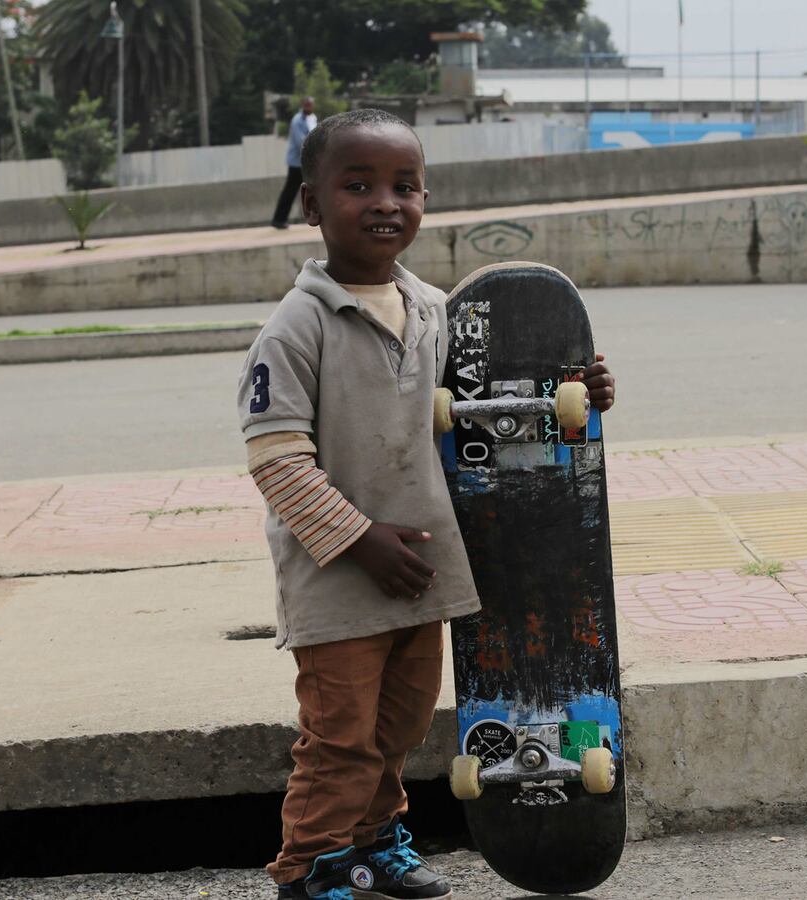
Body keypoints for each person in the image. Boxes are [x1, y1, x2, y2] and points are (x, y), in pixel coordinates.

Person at [236, 109, 616, 900]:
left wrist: (580, 394)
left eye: (404, 186)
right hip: (339, 582)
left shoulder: (438, 313)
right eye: (358, 185)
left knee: (399, 730)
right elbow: (276, 460)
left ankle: (373, 845)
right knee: (339, 738)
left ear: (424, 198)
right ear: (311, 204)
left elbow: (486, 406)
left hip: (422, 572)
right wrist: (357, 538)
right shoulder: (294, 327)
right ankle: (308, 867)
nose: (385, 202)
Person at [271, 97, 318, 229]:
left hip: (306, 162)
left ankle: (280, 219)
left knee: (315, 189)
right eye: (307, 105)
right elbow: (301, 142)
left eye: (311, 105)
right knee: (290, 191)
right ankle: (278, 219)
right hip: (297, 163)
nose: (309, 107)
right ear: (303, 106)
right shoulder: (297, 120)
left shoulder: (312, 118)